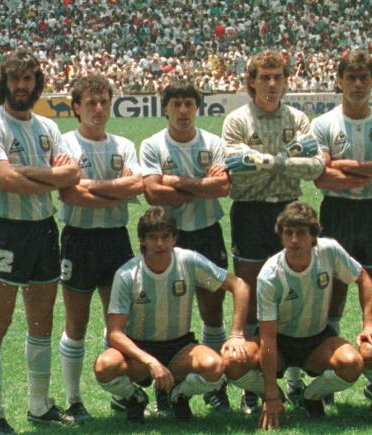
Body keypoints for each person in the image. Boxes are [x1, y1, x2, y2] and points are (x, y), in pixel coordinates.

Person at [0, 47, 80, 435]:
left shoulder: (48, 127)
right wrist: (49, 178)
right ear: (5, 82)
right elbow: (4, 180)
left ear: (36, 84)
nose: (22, 86)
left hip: (44, 230)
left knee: (41, 322)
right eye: (15, 80)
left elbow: (71, 177)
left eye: (28, 79)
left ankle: (39, 406)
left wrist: (32, 174)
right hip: (8, 231)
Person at [221, 49, 325, 414]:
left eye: (277, 77)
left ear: (285, 81)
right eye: (263, 77)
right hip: (249, 213)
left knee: (296, 292)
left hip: (288, 211)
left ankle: (295, 379)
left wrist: (265, 160)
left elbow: (314, 165)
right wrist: (281, 160)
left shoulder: (297, 117)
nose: (270, 84)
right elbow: (233, 164)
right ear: (251, 81)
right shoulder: (236, 119)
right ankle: (253, 386)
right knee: (250, 297)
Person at [222, 201, 372, 429]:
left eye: (301, 233)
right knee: (232, 362)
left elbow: (364, 279)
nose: (294, 240)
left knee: (352, 363)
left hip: (317, 341)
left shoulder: (329, 250)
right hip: (278, 344)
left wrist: (368, 323)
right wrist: (270, 396)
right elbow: (268, 338)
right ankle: (274, 392)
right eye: (288, 233)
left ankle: (311, 396)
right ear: (281, 236)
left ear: (314, 235)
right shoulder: (270, 274)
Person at [93, 207, 251, 423]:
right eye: (153, 237)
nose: (160, 244)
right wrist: (150, 362)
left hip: (179, 348)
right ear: (142, 240)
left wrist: (236, 334)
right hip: (139, 351)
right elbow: (115, 334)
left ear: (174, 238)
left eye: (165, 237)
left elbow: (239, 286)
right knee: (104, 366)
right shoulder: (127, 274)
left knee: (215, 367)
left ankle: (179, 396)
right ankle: (135, 398)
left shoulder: (189, 261)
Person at [311, 50, 372, 409]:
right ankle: (328, 373)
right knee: (332, 291)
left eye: (364, 77)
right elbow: (322, 177)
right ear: (339, 81)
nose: (358, 84)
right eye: (351, 78)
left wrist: (349, 167)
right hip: (336, 212)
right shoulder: (323, 124)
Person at [56, 73, 143, 423]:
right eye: (90, 102)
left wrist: (91, 185)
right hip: (78, 238)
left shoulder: (123, 145)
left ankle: (120, 395)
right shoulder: (63, 144)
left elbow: (136, 184)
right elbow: (69, 193)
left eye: (104, 101)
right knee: (76, 322)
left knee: (118, 322)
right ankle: (74, 400)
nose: (98, 108)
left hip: (115, 238)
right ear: (76, 107)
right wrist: (113, 190)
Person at [140, 80, 232, 412]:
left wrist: (176, 181)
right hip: (168, 238)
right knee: (165, 314)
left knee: (212, 310)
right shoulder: (153, 145)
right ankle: (166, 385)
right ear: (165, 107)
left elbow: (222, 187)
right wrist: (202, 184)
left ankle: (215, 388)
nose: (182, 110)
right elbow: (152, 193)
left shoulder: (214, 142)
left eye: (188, 104)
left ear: (197, 107)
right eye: (175, 103)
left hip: (207, 232)